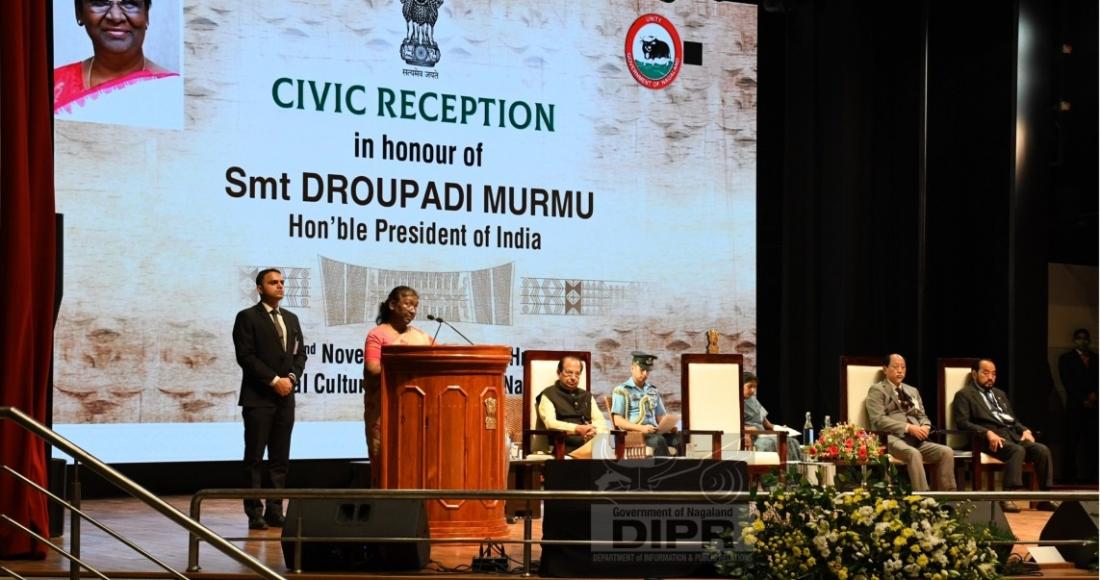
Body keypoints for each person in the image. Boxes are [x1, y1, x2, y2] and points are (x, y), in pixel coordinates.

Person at [233, 268, 306, 530]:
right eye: (273, 282)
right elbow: (246, 356)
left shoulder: (291, 318)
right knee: (254, 458)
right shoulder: (247, 317)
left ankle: (276, 510)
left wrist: (291, 378)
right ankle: (255, 513)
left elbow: (300, 355)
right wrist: (274, 381)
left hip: (286, 398)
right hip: (258, 398)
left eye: (282, 282)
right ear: (260, 288)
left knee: (280, 458)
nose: (280, 286)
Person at [54, 0, 182, 124]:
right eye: (100, 2)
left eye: (130, 3)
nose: (115, 16)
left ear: (146, 15)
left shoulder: (171, 92)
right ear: (79, 13)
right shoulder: (53, 86)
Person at [952, 359, 1055, 512]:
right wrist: (986, 433)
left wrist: (1024, 430)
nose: (990, 377)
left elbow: (1013, 420)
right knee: (1016, 450)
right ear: (974, 374)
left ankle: (1045, 498)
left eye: (993, 374)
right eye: (986, 373)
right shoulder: (964, 395)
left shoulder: (999, 394)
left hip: (1012, 436)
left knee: (1042, 450)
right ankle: (1007, 497)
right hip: (987, 440)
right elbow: (963, 422)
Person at [362, 286, 433, 484]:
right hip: (386, 411)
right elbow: (372, 369)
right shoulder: (378, 334)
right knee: (387, 461)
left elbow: (439, 357)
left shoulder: (421, 337)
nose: (413, 310)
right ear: (393, 305)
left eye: (415, 306)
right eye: (408, 304)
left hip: (417, 411)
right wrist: (405, 366)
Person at [864, 354, 956, 492]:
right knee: (913, 454)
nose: (900, 371)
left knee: (946, 452)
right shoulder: (877, 390)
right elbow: (878, 419)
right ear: (885, 369)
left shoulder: (912, 391)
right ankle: (924, 498)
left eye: (903, 367)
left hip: (917, 439)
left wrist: (925, 425)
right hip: (891, 438)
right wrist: (908, 427)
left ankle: (950, 497)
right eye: (895, 367)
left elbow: (922, 415)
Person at [610, 351, 679, 456]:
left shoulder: (653, 390)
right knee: (659, 441)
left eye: (648, 371)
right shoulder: (621, 390)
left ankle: (681, 470)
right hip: (635, 433)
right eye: (642, 370)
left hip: (653, 431)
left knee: (679, 439)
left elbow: (660, 416)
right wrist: (641, 428)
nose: (645, 374)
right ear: (632, 368)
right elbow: (618, 420)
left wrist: (669, 427)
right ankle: (663, 471)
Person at [535, 356, 609, 454]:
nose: (573, 378)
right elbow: (550, 423)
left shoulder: (586, 395)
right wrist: (577, 429)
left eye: (577, 374)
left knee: (607, 455)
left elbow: (600, 421)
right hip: (562, 447)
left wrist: (592, 429)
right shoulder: (548, 394)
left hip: (589, 446)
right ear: (559, 372)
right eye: (569, 373)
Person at [1057, 328, 1098, 483]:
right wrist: (1083, 399)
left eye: (1085, 338)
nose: (1083, 341)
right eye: (1079, 338)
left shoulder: (1096, 358)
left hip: (1094, 408)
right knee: (1071, 442)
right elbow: (1067, 382)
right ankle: (1069, 476)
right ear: (1074, 340)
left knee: (1093, 443)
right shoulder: (1066, 359)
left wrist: (1095, 395)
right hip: (1075, 406)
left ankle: (1094, 475)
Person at [742, 372, 802, 461]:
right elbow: (732, 425)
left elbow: (767, 424)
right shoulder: (734, 401)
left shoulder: (753, 400)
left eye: (755, 387)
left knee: (791, 441)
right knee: (768, 443)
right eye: (750, 386)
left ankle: (791, 472)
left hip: (762, 434)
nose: (753, 390)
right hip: (752, 437)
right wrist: (747, 429)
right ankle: (770, 474)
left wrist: (781, 428)